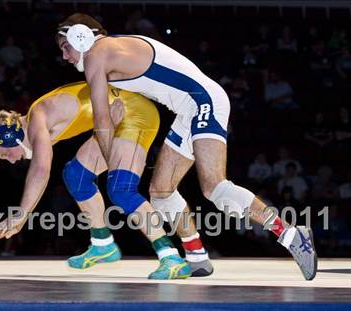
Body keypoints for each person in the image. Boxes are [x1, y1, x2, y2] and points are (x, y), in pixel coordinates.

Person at [56, 13, 317, 280]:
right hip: (188, 110)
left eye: (65, 47)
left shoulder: (96, 54)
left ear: (81, 35)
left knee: (214, 186)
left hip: (204, 102)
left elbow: (101, 118)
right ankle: (196, 256)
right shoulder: (113, 48)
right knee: (161, 191)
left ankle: (291, 234)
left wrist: (112, 161)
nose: (65, 56)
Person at [0, 82, 206, 279]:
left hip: (134, 115)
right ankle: (102, 244)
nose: (10, 161)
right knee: (76, 176)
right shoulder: (35, 121)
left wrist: (21, 214)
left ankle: (171, 257)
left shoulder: (38, 117)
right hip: (111, 120)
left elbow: (41, 169)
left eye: (4, 154)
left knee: (121, 191)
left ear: (11, 137)